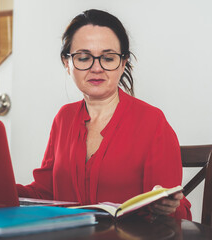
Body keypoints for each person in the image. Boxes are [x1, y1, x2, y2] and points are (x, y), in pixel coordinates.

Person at [16, 9, 191, 219]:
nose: (96, 68)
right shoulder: (64, 118)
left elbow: (178, 214)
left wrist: (167, 207)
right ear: (67, 62)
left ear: (124, 62)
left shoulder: (153, 122)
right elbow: (44, 193)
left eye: (108, 58)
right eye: (83, 57)